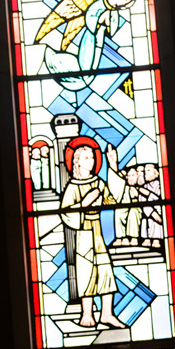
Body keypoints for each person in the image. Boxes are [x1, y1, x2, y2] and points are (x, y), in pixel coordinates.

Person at [61, 136, 126, 328]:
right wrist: (86, 201)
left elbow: (114, 200)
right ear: (77, 161)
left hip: (97, 232)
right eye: (87, 158)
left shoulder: (98, 182)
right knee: (86, 273)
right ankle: (87, 314)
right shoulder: (72, 187)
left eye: (92, 157)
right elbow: (66, 213)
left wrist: (113, 167)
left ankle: (106, 314)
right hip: (83, 234)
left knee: (105, 272)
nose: (92, 161)